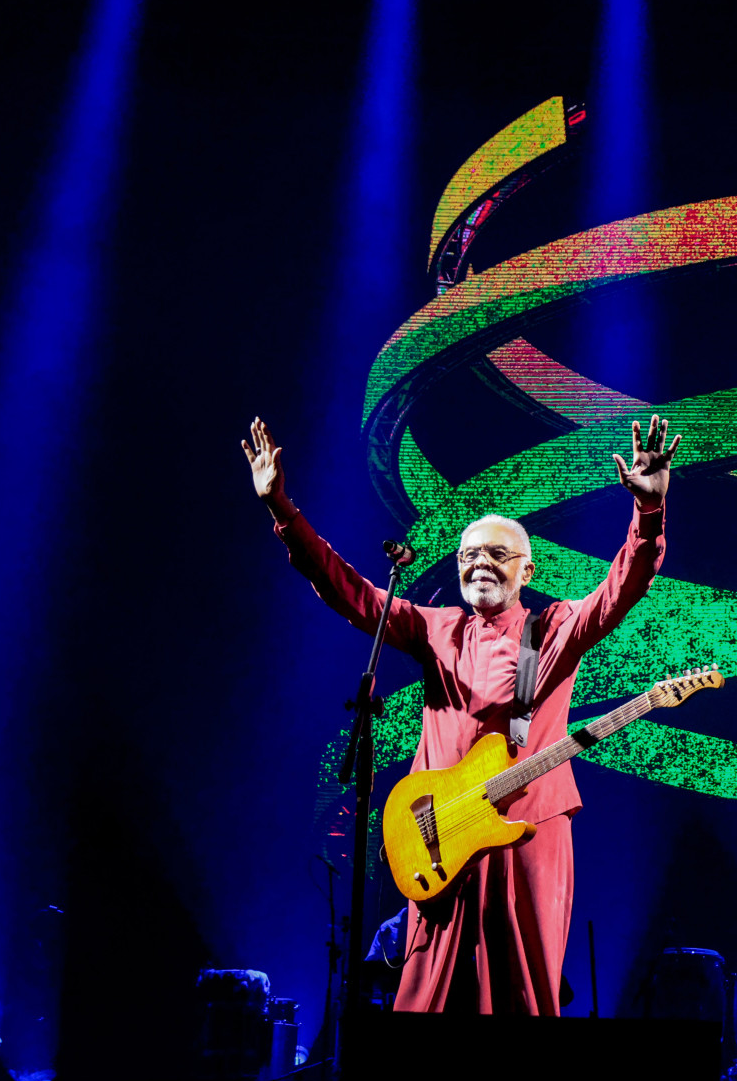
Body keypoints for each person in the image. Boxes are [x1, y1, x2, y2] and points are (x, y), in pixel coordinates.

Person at [244, 412, 679, 1014]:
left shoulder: (553, 628)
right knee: (423, 996)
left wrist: (648, 511)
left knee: (523, 991)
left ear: (528, 570)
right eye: (468, 554)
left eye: (497, 554)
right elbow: (350, 591)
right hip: (439, 830)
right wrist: (282, 510)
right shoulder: (436, 628)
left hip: (526, 826)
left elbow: (621, 589)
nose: (479, 564)